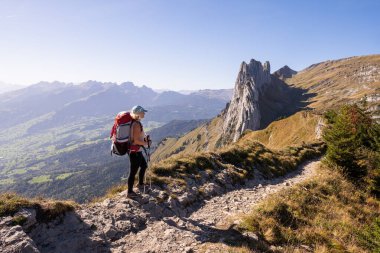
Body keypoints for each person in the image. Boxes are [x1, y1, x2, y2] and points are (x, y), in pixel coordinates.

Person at [127, 105, 151, 197]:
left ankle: (140, 184)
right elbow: (135, 140)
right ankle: (129, 192)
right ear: (138, 113)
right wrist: (146, 144)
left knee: (144, 166)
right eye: (142, 112)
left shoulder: (136, 122)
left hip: (137, 150)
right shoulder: (136, 124)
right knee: (133, 172)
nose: (144, 113)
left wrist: (145, 138)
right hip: (135, 151)